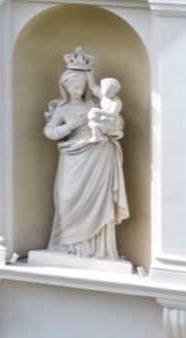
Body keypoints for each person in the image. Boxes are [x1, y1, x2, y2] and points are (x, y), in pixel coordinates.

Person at [43, 49, 129, 261]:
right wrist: (69, 126)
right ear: (65, 86)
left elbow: (115, 123)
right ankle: (68, 244)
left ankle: (96, 249)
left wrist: (108, 126)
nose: (78, 89)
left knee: (97, 201)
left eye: (81, 86)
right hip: (73, 156)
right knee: (66, 197)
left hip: (99, 154)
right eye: (74, 86)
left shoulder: (94, 104)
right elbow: (49, 131)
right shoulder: (61, 109)